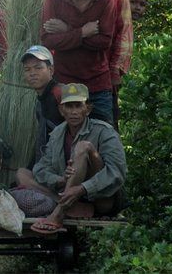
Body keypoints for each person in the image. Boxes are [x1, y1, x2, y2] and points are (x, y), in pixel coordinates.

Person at [29, 83, 127, 234]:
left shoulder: (104, 131)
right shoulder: (57, 134)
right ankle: (75, 207)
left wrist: (82, 188)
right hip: (68, 193)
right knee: (22, 174)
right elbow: (41, 168)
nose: (74, 112)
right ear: (62, 110)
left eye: (78, 106)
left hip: (100, 198)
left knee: (83, 147)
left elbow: (117, 172)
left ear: (88, 109)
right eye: (69, 106)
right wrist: (60, 179)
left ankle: (59, 212)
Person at [40, 0, 116, 125]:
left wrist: (67, 29)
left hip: (98, 83)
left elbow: (104, 42)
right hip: (64, 82)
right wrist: (82, 32)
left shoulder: (106, 0)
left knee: (103, 135)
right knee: (61, 138)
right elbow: (48, 40)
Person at [75, 0, 134, 130]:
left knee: (104, 130)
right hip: (71, 72)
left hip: (103, 76)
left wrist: (115, 71)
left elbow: (123, 34)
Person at [20, 45, 64, 169]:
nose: (32, 73)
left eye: (38, 68)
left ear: (51, 70)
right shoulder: (40, 102)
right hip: (48, 162)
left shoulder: (60, 94)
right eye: (27, 69)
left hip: (67, 164)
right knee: (22, 174)